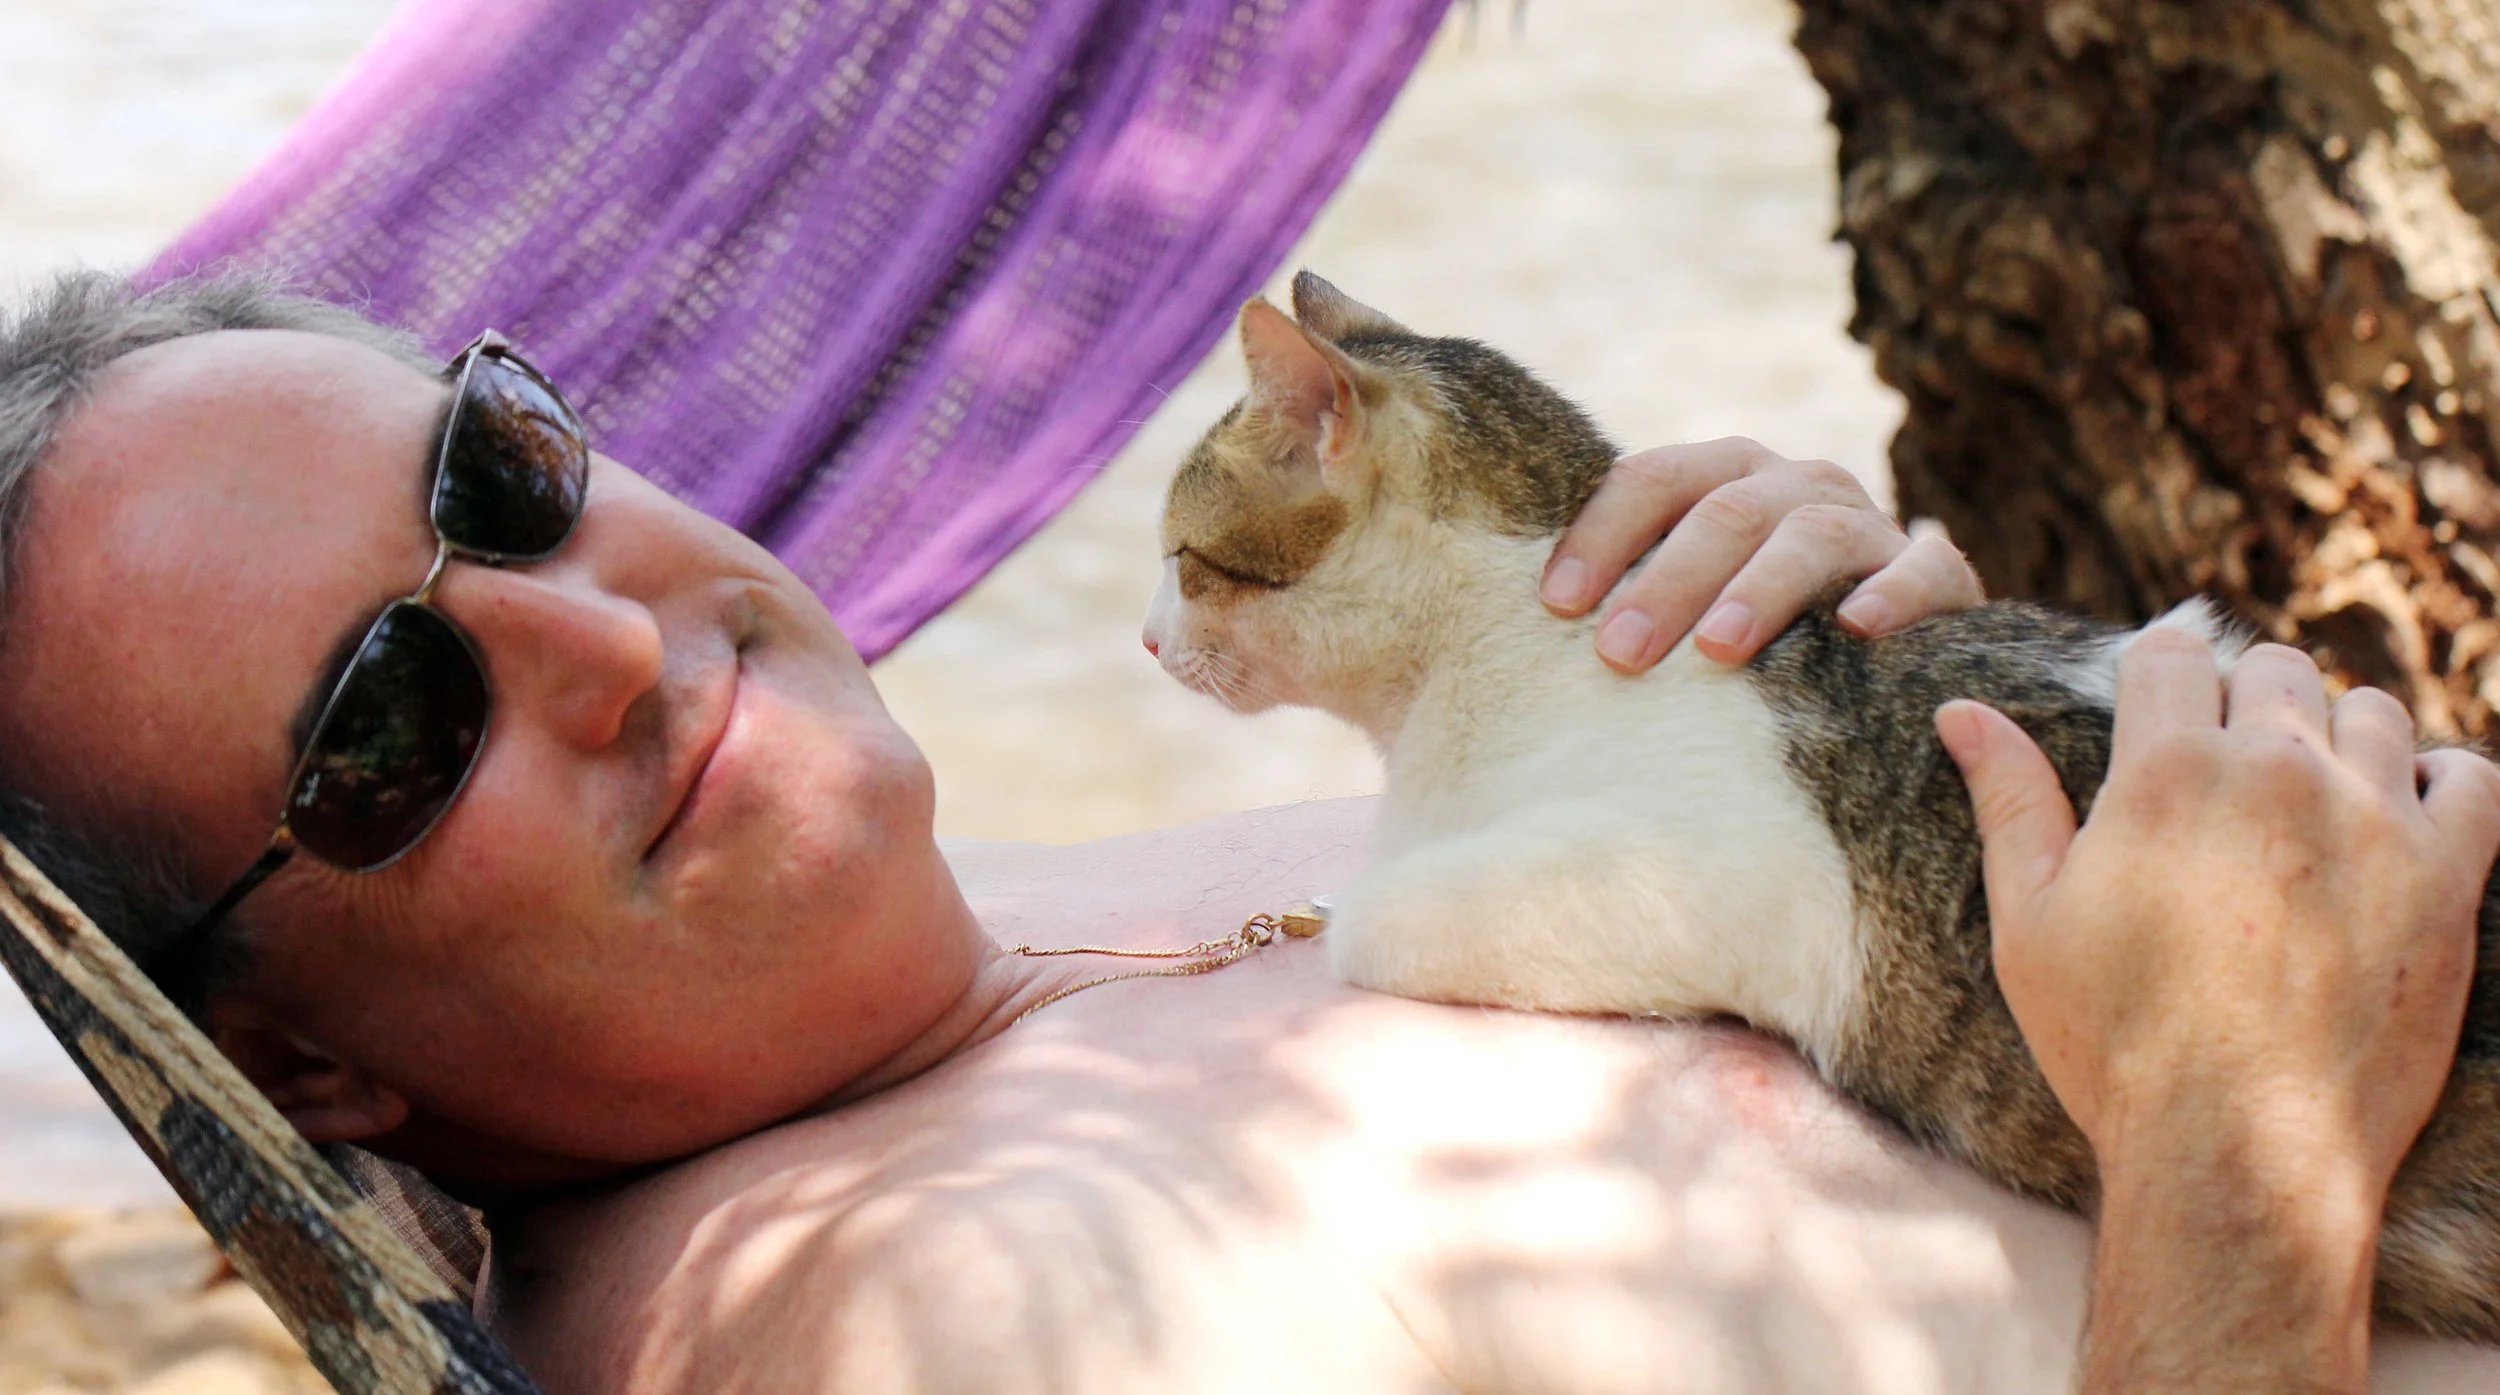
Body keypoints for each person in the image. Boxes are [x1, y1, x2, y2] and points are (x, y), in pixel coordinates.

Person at [0, 270, 2492, 1393]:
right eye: (385, 726)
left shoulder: (1045, 947)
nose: (609, 640)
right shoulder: (912, 1328)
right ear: (304, 1074)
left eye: (499, 474)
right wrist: (2236, 1162)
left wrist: (1841, 686)